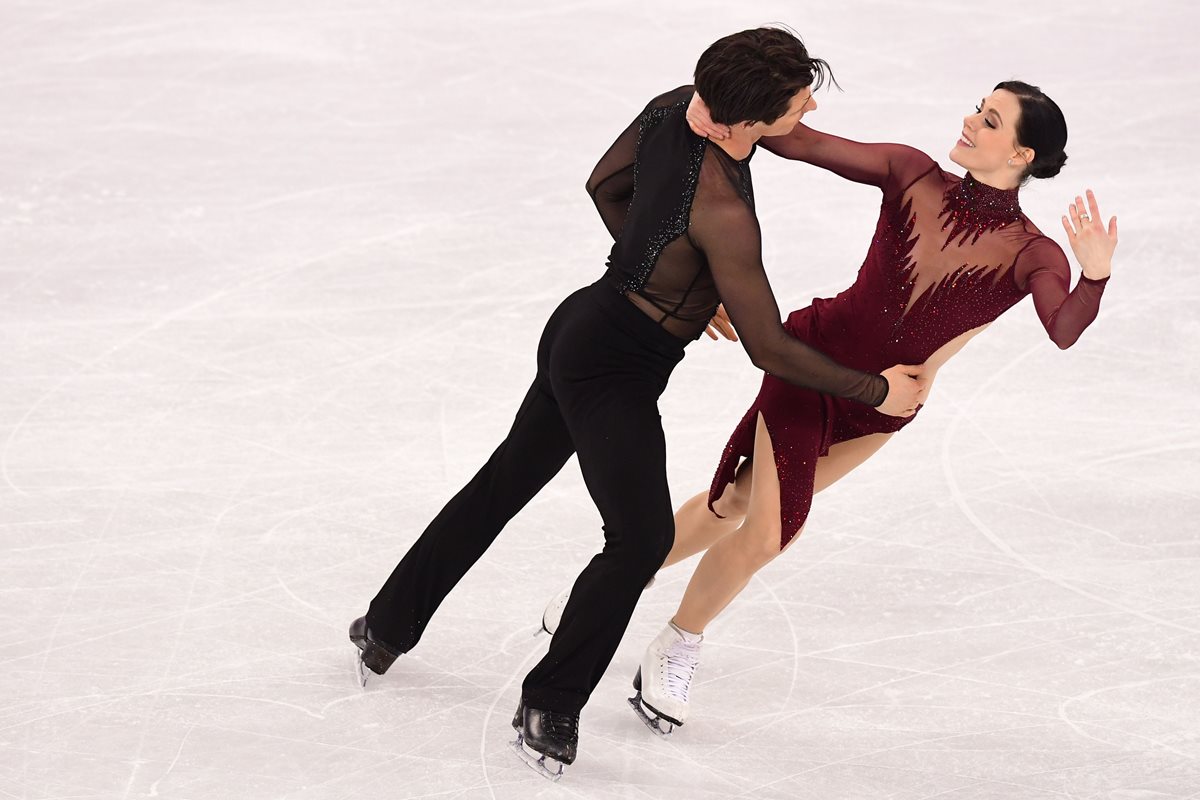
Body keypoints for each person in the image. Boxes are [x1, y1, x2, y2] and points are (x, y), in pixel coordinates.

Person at [348, 27, 924, 780]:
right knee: (640, 539)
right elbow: (771, 349)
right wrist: (878, 390)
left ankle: (385, 626)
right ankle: (550, 701)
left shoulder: (672, 107)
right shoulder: (722, 212)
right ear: (742, 121)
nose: (809, 104)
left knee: (502, 486)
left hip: (580, 326)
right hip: (611, 370)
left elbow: (604, 185)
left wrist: (668, 276)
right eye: (796, 101)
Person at [543, 80, 1115, 737]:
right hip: (812, 364)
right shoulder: (910, 173)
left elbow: (1063, 327)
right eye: (976, 108)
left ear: (1021, 155)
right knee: (771, 530)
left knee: (731, 505)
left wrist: (1094, 273)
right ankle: (678, 642)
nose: (968, 120)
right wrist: (729, 92)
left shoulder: (1033, 253)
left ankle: (606, 587)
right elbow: (799, 141)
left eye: (989, 121)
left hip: (883, 407)